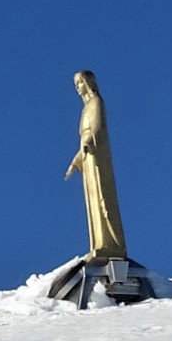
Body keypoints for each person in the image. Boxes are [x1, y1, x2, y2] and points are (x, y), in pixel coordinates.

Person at [64, 70, 128, 261]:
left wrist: (88, 144)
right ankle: (100, 242)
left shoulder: (96, 103)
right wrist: (76, 160)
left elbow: (98, 129)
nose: (78, 88)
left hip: (97, 155)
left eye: (80, 83)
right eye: (75, 85)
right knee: (92, 200)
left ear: (88, 83)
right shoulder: (85, 109)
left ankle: (112, 243)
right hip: (88, 156)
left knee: (103, 196)